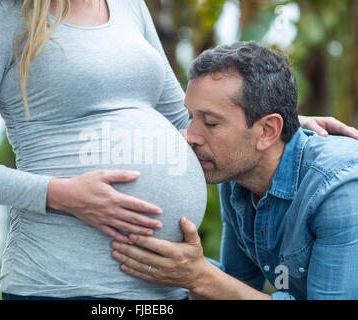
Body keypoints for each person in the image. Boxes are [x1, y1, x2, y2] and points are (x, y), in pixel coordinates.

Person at [0, 0, 356, 300]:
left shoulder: (128, 5)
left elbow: (182, 116)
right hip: (63, 281)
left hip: (166, 285)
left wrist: (281, 130)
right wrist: (62, 195)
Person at [110, 41, 358, 300]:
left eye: (211, 122)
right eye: (190, 117)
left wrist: (200, 276)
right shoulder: (237, 178)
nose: (190, 136)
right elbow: (236, 283)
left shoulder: (340, 187)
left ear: (267, 131)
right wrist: (175, 264)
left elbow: (215, 284)